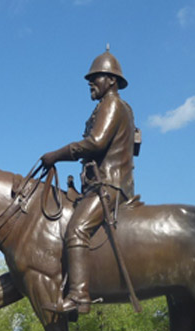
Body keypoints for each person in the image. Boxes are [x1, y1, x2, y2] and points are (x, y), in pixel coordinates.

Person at [41, 48, 136, 315]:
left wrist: (55, 155)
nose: (90, 83)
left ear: (112, 81)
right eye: (90, 78)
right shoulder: (106, 107)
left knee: (77, 229)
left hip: (110, 184)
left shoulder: (113, 105)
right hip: (98, 184)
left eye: (96, 78)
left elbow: (95, 143)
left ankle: (79, 298)